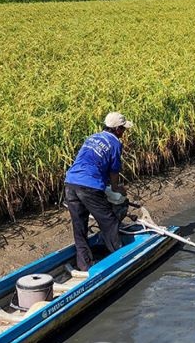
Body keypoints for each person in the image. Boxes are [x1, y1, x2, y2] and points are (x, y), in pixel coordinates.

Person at [63, 111, 133, 271]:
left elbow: (90, 162)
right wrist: (116, 188)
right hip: (88, 186)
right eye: (123, 129)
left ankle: (85, 265)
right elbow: (114, 170)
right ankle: (119, 258)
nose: (124, 133)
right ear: (117, 129)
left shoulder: (92, 137)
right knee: (109, 221)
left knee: (79, 226)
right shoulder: (115, 143)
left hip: (71, 182)